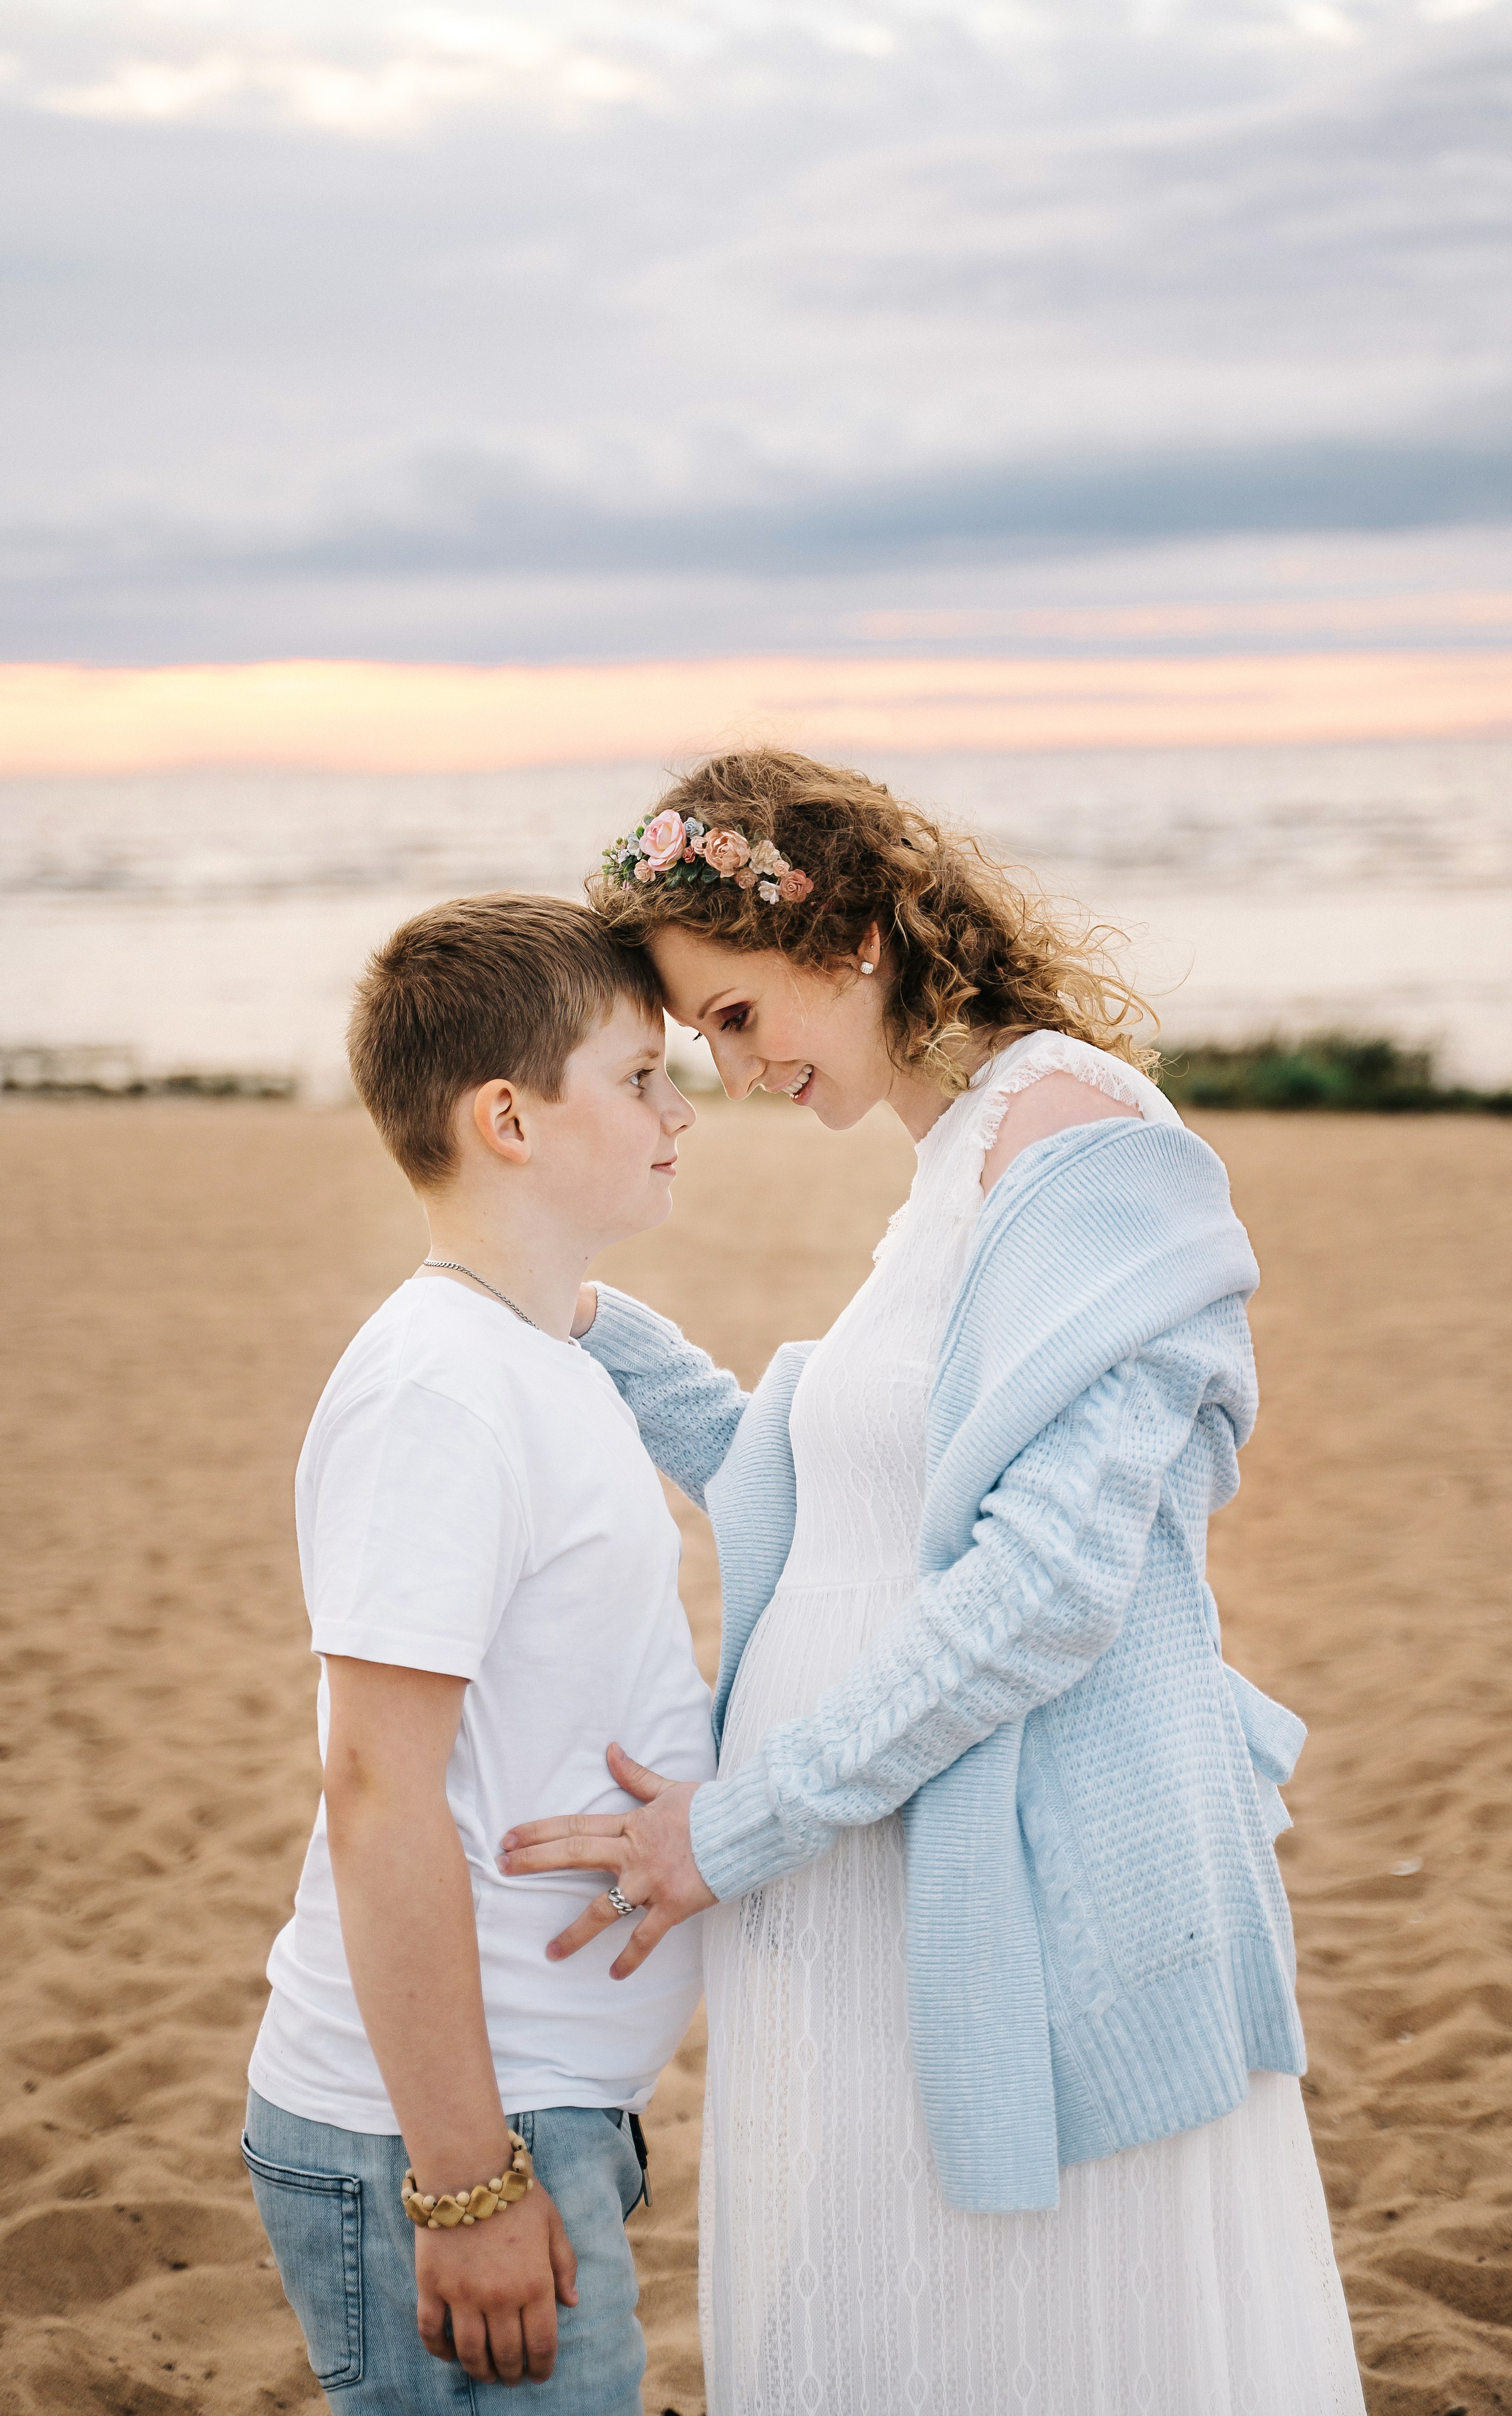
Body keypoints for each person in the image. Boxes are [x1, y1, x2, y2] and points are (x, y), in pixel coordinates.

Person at [499, 754, 1367, 2414]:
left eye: (740, 1016)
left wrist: (732, 1827)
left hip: (1004, 1903)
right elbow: (837, 1491)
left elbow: (1047, 1592)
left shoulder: (1087, 1150)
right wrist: (588, 1321)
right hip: (866, 1876)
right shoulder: (962, 1161)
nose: (735, 1073)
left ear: (857, 937)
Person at [244, 893, 715, 2414]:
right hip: (442, 2132)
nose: (677, 1107)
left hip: (537, 2105)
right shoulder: (437, 1392)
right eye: (638, 1077)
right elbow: (377, 1791)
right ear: (507, 1117)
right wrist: (461, 2183)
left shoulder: (539, 1350)